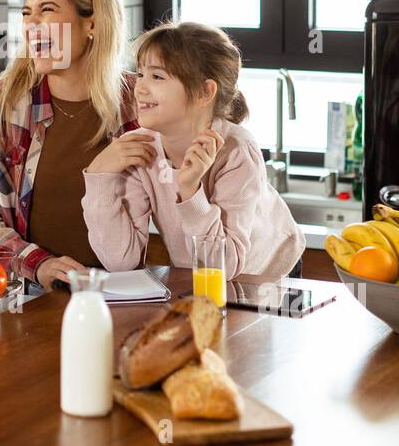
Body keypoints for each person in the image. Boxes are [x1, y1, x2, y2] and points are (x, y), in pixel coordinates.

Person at [0, 0, 136, 290]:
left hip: (123, 293)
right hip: (33, 294)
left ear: (91, 23)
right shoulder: (1, 103)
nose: (31, 25)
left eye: (47, 10)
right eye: (27, 13)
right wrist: (36, 264)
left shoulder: (137, 103)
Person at [81, 21, 303, 279]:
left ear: (203, 92)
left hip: (267, 272)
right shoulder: (139, 150)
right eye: (140, 74)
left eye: (157, 76)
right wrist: (99, 177)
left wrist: (190, 192)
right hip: (204, 274)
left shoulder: (236, 151)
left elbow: (223, 267)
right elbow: (121, 263)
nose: (139, 87)